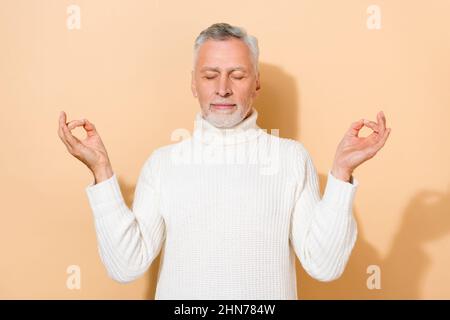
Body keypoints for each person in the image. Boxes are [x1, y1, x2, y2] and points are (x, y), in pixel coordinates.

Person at [57, 22, 391, 299]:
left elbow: (325, 265)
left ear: (256, 81)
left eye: (237, 75)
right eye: (210, 75)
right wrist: (101, 172)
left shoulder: (290, 158)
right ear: (193, 83)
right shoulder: (163, 164)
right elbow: (126, 266)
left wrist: (341, 174)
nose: (223, 88)